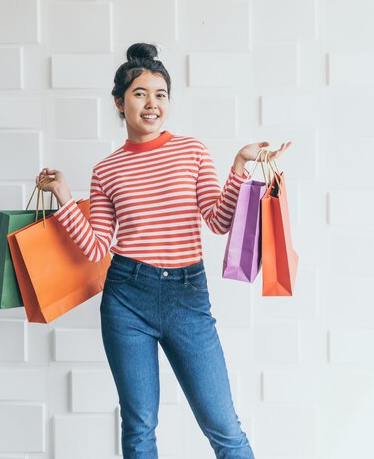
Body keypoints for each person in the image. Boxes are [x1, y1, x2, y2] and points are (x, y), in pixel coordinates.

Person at [36, 43, 292, 459]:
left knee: (224, 428)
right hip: (126, 298)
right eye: (140, 94)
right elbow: (96, 246)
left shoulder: (192, 151)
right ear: (119, 103)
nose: (152, 104)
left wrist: (239, 166)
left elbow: (217, 220)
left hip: (187, 296)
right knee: (139, 427)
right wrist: (66, 195)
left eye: (161, 94)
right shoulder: (106, 170)